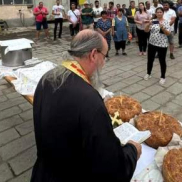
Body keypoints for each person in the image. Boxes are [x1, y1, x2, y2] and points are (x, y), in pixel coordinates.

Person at [31, 31, 141, 182]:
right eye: (105, 56)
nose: (104, 63)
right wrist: (133, 150)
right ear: (94, 54)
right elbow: (112, 169)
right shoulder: (90, 101)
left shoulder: (47, 78)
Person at [144, 7, 171, 85]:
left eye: (160, 12)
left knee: (162, 61)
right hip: (152, 43)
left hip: (162, 45)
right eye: (157, 12)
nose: (159, 13)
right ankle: (148, 73)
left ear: (163, 13)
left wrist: (162, 28)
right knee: (150, 59)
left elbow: (168, 34)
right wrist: (148, 25)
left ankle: (163, 77)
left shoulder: (166, 22)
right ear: (155, 13)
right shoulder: (153, 21)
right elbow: (146, 31)